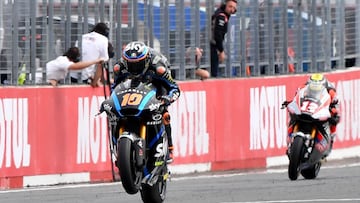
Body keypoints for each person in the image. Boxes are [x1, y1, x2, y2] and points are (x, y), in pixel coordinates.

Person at [112, 41, 180, 163]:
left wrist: (168, 98)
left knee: (163, 112)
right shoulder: (119, 67)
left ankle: (169, 148)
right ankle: (117, 149)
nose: (134, 68)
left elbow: (174, 88)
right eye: (131, 64)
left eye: (138, 64)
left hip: (156, 82)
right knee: (114, 115)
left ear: (146, 59)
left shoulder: (159, 68)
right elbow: (115, 87)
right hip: (134, 87)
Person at [283, 73, 340, 159]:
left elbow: (335, 103)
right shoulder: (303, 87)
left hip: (323, 107)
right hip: (307, 108)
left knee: (334, 119)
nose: (314, 89)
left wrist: (333, 111)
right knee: (293, 115)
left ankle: (331, 139)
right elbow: (297, 97)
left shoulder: (331, 91)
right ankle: (290, 139)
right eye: (312, 87)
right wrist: (290, 102)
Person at [70, 22, 109, 87]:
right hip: (84, 76)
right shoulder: (103, 40)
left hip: (71, 72)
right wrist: (95, 82)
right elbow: (101, 63)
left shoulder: (82, 37)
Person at [210, 0, 237, 77]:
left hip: (214, 46)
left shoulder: (221, 14)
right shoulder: (221, 16)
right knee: (213, 73)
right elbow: (217, 35)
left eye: (234, 8)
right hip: (213, 47)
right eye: (230, 6)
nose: (232, 10)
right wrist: (221, 51)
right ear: (225, 5)